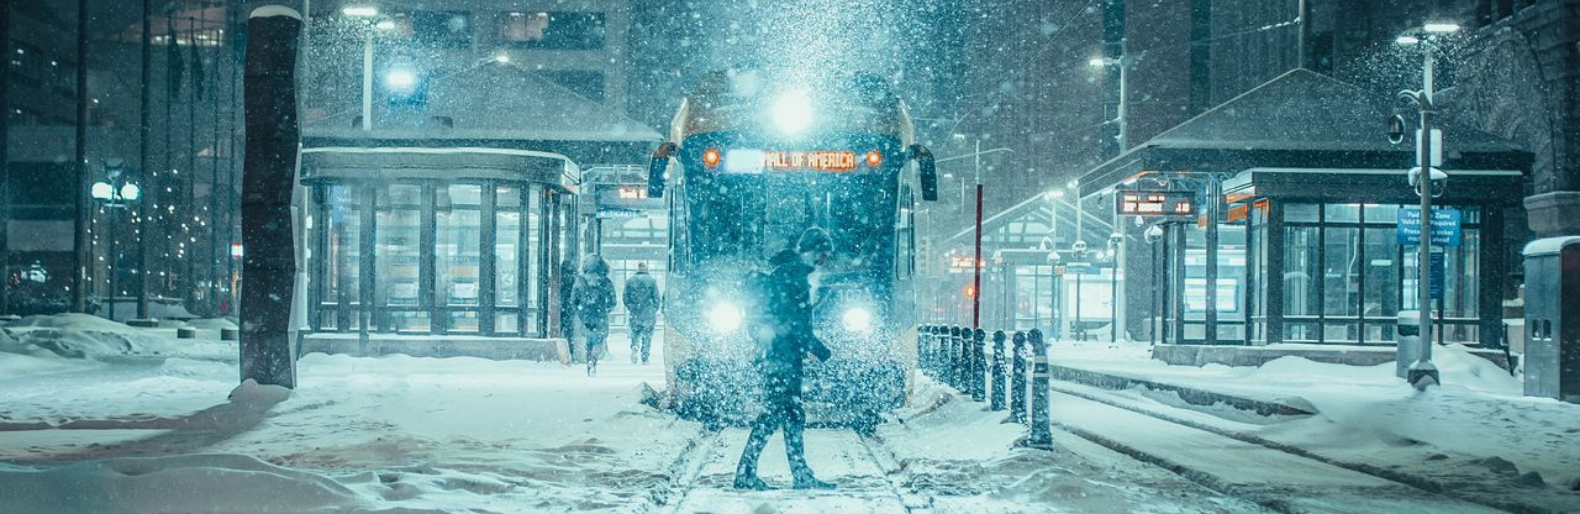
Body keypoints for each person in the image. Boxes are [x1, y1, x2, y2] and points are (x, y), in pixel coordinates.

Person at [734, 228, 836, 491]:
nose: (823, 260)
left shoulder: (786, 272)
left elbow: (786, 317)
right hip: (784, 356)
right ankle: (747, 473)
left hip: (779, 354)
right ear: (811, 249)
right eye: (822, 254)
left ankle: (799, 473)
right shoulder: (794, 276)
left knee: (791, 414)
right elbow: (795, 323)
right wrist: (820, 350)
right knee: (774, 414)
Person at [573, 255, 617, 376]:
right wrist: (606, 310)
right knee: (599, 340)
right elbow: (613, 301)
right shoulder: (605, 281)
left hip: (586, 315)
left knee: (589, 341)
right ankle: (594, 359)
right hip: (600, 315)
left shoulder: (580, 280)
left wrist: (580, 311)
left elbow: (574, 300)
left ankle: (589, 362)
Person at [623, 262, 661, 364]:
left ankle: (634, 345)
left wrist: (631, 307)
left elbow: (625, 297)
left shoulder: (630, 281)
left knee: (635, 332)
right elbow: (656, 298)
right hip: (648, 312)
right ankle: (645, 357)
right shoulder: (652, 281)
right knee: (647, 336)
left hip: (635, 312)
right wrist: (653, 309)